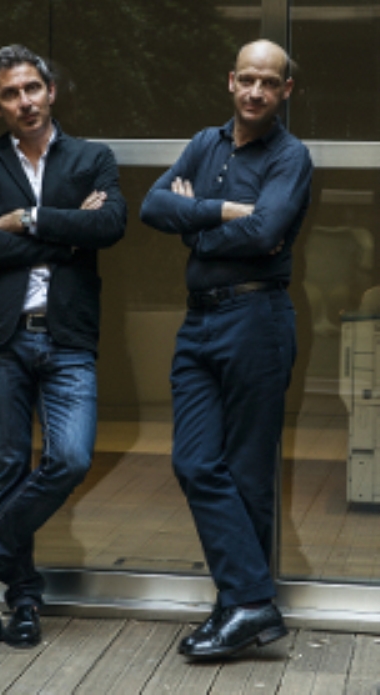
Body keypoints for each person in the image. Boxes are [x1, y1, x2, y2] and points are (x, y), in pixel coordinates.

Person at [0, 44, 126, 648]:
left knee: (70, 458)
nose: (24, 101)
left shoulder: (92, 158)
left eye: (31, 88)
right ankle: (22, 600)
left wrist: (26, 218)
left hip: (68, 336)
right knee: (6, 471)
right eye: (10, 93)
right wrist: (67, 230)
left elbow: (109, 225)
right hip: (1, 340)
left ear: (50, 90)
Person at [140, 39, 313, 660]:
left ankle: (237, 608)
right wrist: (224, 212)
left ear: (285, 89)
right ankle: (251, 603)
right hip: (200, 323)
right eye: (247, 79)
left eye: (269, 82)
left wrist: (196, 226)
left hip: (256, 318)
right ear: (231, 80)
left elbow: (266, 232)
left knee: (247, 473)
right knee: (194, 461)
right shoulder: (204, 143)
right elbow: (153, 206)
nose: (256, 91)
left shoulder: (291, 156)